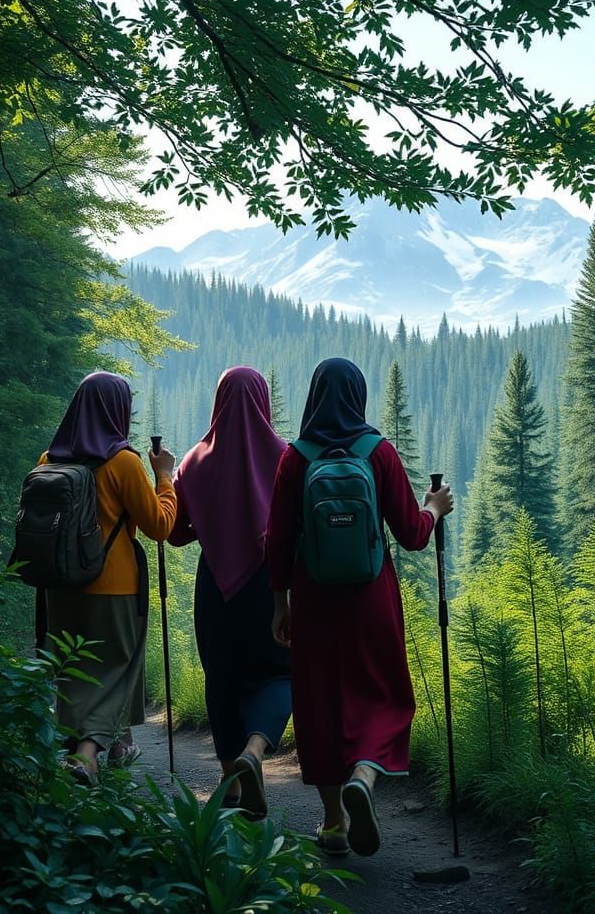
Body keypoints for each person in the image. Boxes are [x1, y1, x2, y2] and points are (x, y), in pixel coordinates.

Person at [267, 357, 453, 857]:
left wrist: (280, 604)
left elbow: (278, 542)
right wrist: (434, 508)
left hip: (314, 601)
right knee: (384, 693)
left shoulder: (295, 458)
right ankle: (366, 777)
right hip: (371, 600)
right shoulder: (379, 452)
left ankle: (332, 824)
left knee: (320, 700)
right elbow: (412, 537)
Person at [40, 371, 177, 785]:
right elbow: (159, 526)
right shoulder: (123, 462)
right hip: (113, 587)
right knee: (115, 671)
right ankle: (87, 755)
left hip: (59, 587)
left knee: (72, 668)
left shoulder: (49, 460)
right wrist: (165, 477)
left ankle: (90, 750)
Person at [169, 366, 292, 816]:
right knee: (281, 671)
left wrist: (166, 479)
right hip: (269, 584)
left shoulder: (194, 460)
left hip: (216, 585)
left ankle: (231, 782)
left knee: (220, 678)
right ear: (262, 400)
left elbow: (177, 535)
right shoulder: (284, 458)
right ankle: (255, 752)